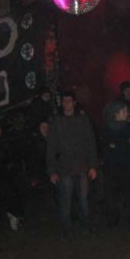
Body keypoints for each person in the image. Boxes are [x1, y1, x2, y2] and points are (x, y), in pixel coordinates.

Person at [46, 91, 98, 237]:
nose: (67, 103)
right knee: (66, 201)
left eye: (69, 100)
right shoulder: (56, 122)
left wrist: (93, 166)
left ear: (74, 102)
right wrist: (52, 171)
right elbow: (51, 148)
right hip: (64, 168)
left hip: (81, 166)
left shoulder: (83, 120)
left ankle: (86, 225)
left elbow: (91, 143)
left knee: (84, 199)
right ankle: (66, 229)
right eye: (64, 101)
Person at [102, 100, 130, 229]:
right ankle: (112, 220)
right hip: (112, 169)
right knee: (112, 196)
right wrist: (122, 144)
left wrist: (119, 145)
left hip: (128, 168)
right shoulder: (107, 130)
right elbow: (108, 148)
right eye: (123, 111)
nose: (126, 113)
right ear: (116, 113)